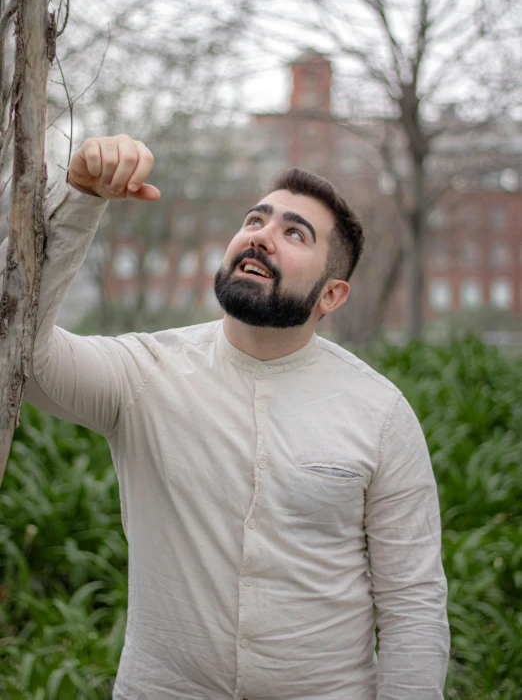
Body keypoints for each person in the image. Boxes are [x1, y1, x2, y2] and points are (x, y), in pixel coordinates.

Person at [15, 134, 449, 699]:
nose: (261, 236)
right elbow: (24, 351)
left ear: (332, 295)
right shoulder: (144, 373)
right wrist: (79, 200)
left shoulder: (380, 411)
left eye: (294, 233)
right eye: (255, 220)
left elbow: (413, 602)